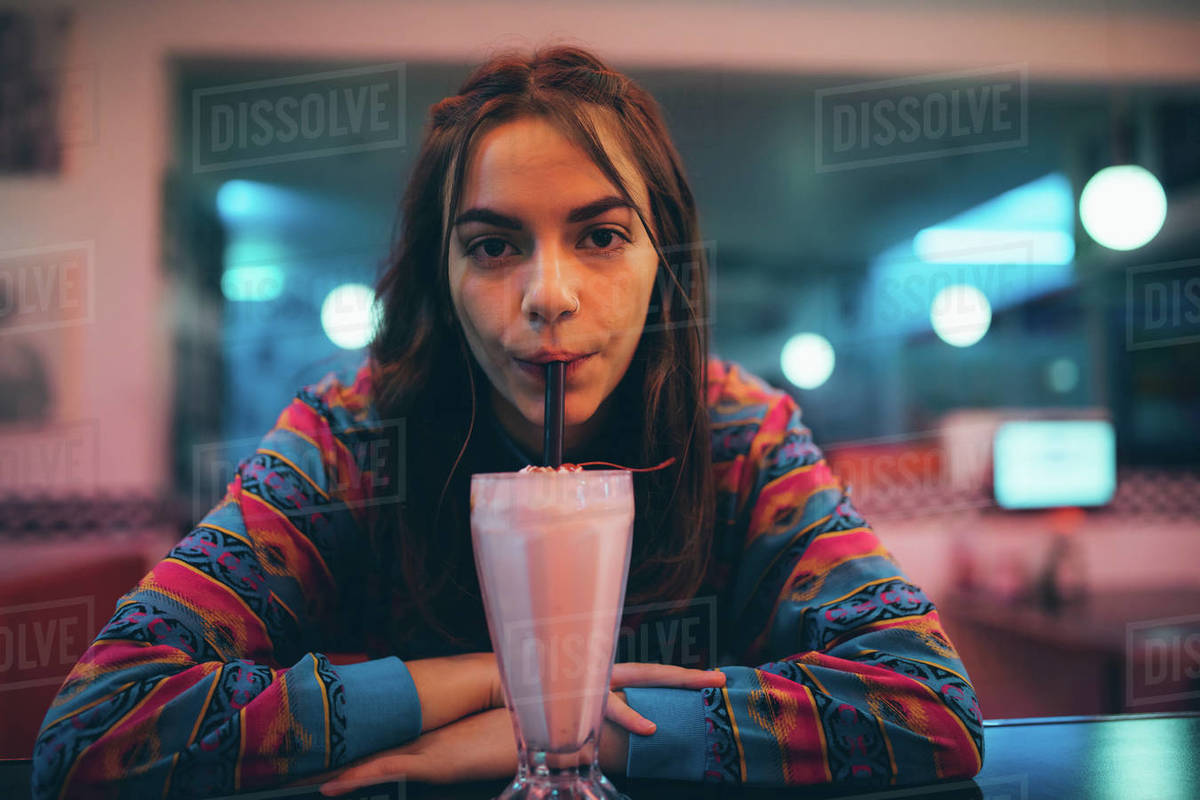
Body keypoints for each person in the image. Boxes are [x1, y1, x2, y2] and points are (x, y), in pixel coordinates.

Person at [31, 46, 984, 798]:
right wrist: (493, 685)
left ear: (667, 268)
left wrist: (584, 730)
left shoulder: (738, 433)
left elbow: (930, 704)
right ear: (442, 281)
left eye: (602, 236)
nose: (549, 296)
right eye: (492, 245)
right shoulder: (354, 442)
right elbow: (99, 725)